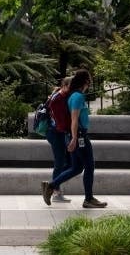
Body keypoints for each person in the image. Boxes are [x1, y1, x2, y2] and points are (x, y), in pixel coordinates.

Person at [41, 68, 107, 209]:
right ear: (85, 82)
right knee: (89, 166)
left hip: (75, 136)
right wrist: (74, 138)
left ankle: (51, 186)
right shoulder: (77, 97)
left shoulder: (73, 96)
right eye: (89, 81)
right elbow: (74, 119)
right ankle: (88, 199)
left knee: (77, 167)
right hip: (79, 136)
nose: (89, 85)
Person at [45, 76, 72, 202]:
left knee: (68, 163)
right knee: (60, 162)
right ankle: (55, 191)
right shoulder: (58, 98)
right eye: (70, 87)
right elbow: (59, 120)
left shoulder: (62, 96)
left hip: (59, 133)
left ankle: (54, 185)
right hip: (56, 133)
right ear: (65, 86)